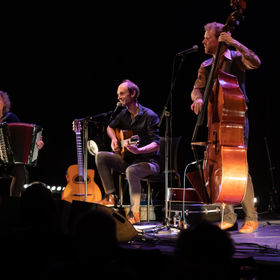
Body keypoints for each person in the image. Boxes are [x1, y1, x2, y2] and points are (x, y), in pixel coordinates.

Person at [190, 22, 261, 233]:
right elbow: (196, 88)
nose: (203, 40)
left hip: (235, 121)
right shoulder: (205, 65)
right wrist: (199, 99)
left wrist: (234, 43)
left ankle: (251, 216)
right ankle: (229, 216)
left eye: (207, 37)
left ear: (219, 38)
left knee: (240, 168)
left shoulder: (236, 58)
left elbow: (256, 62)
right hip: (215, 122)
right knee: (219, 171)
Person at [95, 79, 160, 224]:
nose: (119, 97)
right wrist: (113, 139)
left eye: (122, 94)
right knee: (101, 156)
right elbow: (109, 127)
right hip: (129, 160)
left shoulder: (150, 115)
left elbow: (156, 143)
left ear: (133, 94)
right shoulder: (123, 114)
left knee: (131, 171)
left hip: (149, 162)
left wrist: (139, 151)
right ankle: (110, 195)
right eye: (118, 94)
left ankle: (134, 213)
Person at [0, 90, 44, 197]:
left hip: (8, 162)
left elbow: (24, 136)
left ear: (4, 102)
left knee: (20, 171)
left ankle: (13, 203)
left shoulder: (10, 118)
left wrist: (37, 143)